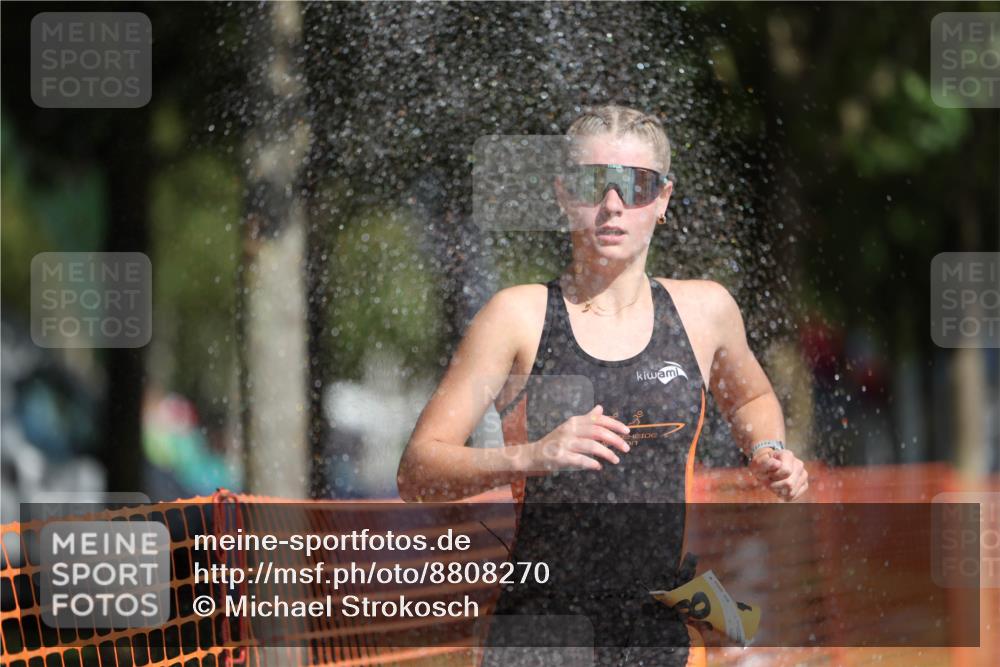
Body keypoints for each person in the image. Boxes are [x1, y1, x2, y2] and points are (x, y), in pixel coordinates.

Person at [397, 104, 809, 666]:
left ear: (663, 200)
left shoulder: (705, 310)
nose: (613, 205)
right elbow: (418, 472)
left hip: (663, 634)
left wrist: (767, 448)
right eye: (594, 185)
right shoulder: (516, 317)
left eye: (636, 186)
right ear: (564, 195)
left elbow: (755, 397)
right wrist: (531, 456)